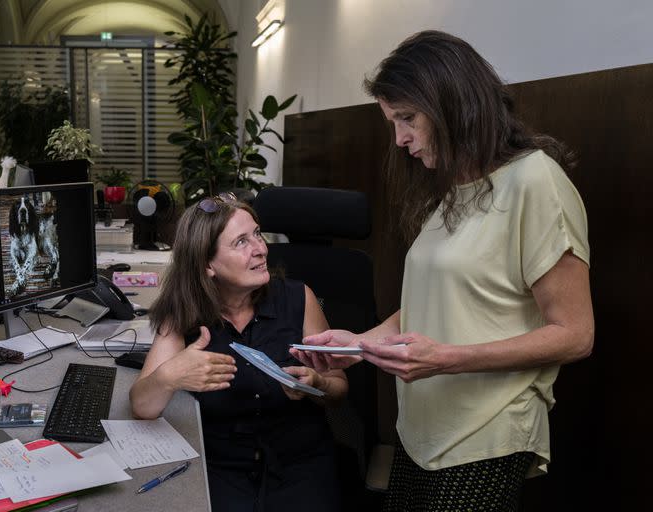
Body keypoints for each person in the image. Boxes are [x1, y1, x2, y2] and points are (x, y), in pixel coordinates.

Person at [292, 30, 594, 511]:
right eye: (393, 122)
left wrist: (446, 358)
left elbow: (575, 334)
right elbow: (432, 305)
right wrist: (360, 346)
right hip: (421, 431)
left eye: (407, 119)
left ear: (452, 103)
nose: (400, 139)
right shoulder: (453, 189)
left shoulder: (535, 182)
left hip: (484, 434)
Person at [130, 193, 347, 512]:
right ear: (207, 265)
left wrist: (317, 383)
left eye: (258, 234)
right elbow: (142, 406)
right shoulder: (183, 314)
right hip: (222, 469)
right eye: (241, 242)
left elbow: (339, 387)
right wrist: (171, 375)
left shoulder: (299, 298)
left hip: (301, 464)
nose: (261, 249)